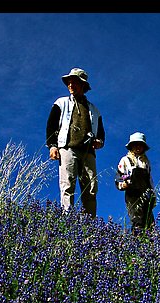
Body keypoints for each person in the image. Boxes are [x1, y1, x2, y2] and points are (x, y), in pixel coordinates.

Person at [45, 67, 105, 217]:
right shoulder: (61, 103)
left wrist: (99, 141)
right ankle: (68, 219)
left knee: (91, 188)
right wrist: (52, 146)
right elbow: (51, 126)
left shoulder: (94, 110)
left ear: (83, 85)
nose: (71, 85)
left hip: (88, 152)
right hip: (67, 148)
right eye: (69, 82)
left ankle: (89, 223)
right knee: (67, 185)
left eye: (75, 82)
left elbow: (101, 133)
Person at [115, 132, 156, 233]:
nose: (138, 147)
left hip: (146, 192)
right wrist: (122, 185)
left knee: (149, 220)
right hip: (132, 194)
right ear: (131, 146)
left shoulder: (146, 162)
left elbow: (149, 179)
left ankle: (149, 243)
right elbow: (119, 176)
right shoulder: (125, 160)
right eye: (135, 144)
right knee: (137, 219)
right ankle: (137, 242)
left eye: (140, 145)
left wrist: (153, 194)